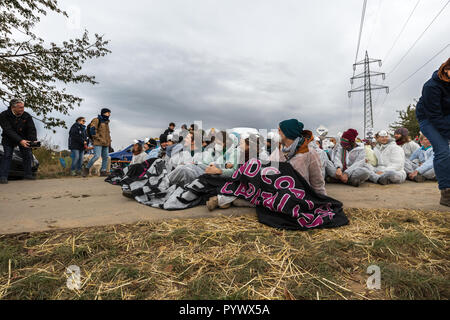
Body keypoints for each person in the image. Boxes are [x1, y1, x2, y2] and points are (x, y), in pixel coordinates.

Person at [415, 58, 450, 207]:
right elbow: (435, 116)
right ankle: (446, 193)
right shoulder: (431, 86)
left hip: (446, 116)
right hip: (429, 118)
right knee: (443, 151)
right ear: (446, 69)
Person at [269, 119, 326, 195]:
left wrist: (322, 199)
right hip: (280, 197)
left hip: (301, 197)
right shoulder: (277, 152)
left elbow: (317, 181)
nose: (277, 133)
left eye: (279, 130)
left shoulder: (309, 152)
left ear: (287, 132)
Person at [0, 98, 37, 183]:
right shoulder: (3, 115)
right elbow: (8, 130)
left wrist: (33, 140)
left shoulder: (26, 115)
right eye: (20, 107)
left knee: (27, 154)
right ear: (13, 108)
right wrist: (20, 141)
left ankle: (28, 175)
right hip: (8, 138)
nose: (22, 109)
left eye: (23, 107)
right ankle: (3, 176)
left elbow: (31, 129)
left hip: (23, 138)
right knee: (7, 156)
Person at [82, 108, 112, 177]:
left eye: (109, 113)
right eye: (108, 113)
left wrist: (109, 141)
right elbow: (92, 130)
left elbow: (107, 133)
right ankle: (86, 169)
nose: (109, 114)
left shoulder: (106, 122)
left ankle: (103, 171)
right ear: (103, 113)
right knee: (96, 156)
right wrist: (98, 138)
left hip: (106, 142)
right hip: (98, 142)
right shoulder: (96, 120)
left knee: (105, 157)